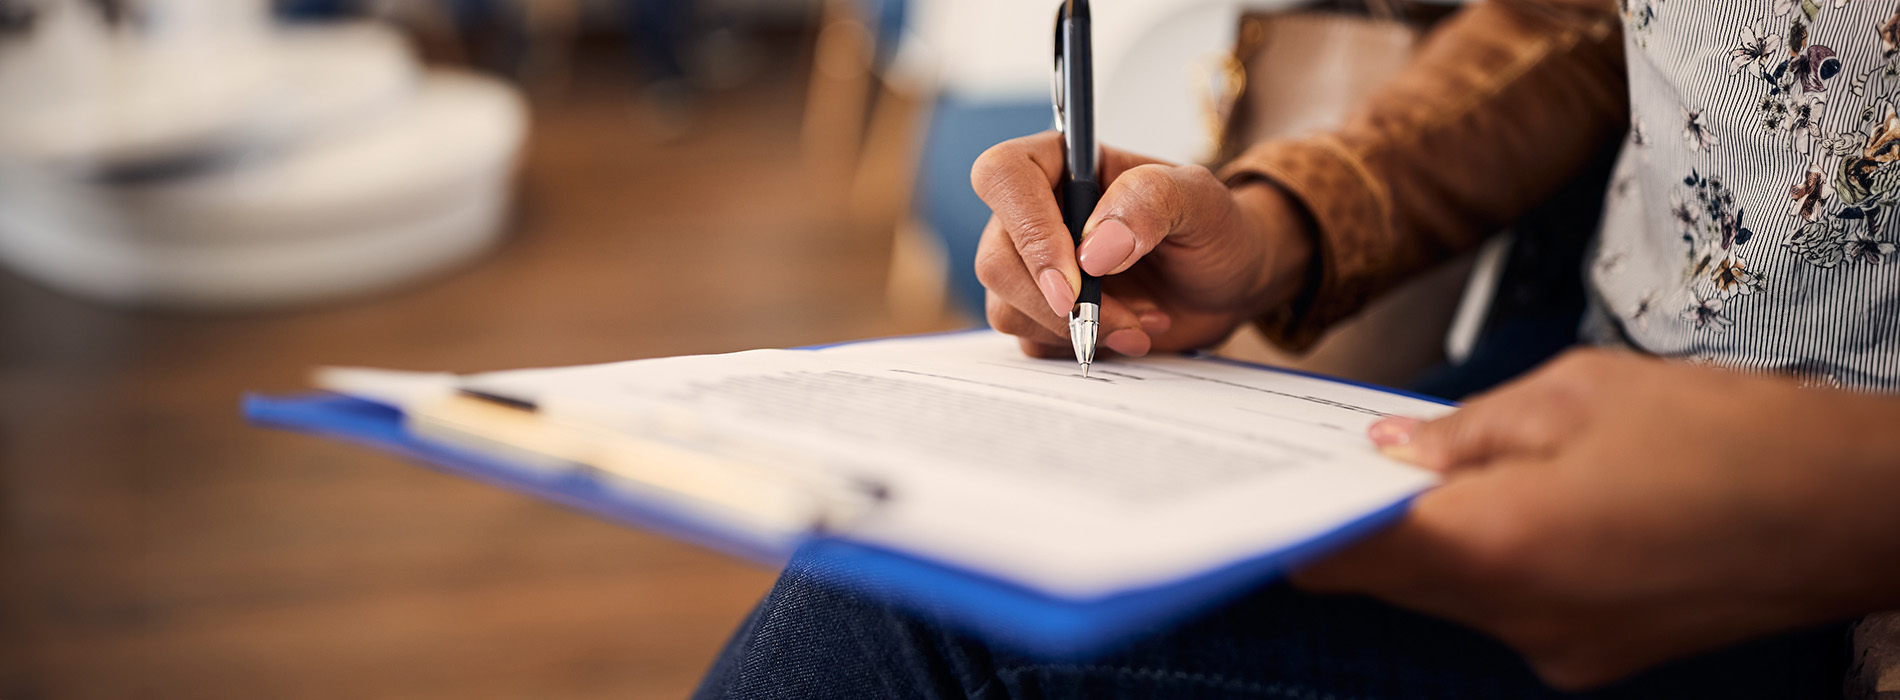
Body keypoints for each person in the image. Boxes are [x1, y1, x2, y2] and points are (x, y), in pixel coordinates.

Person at [694, 0, 1900, 696]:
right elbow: (1574, 18)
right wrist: (1281, 227)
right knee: (932, 566)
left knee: (920, 635)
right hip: (1582, 381)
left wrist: (1860, 498)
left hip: (1822, 552)